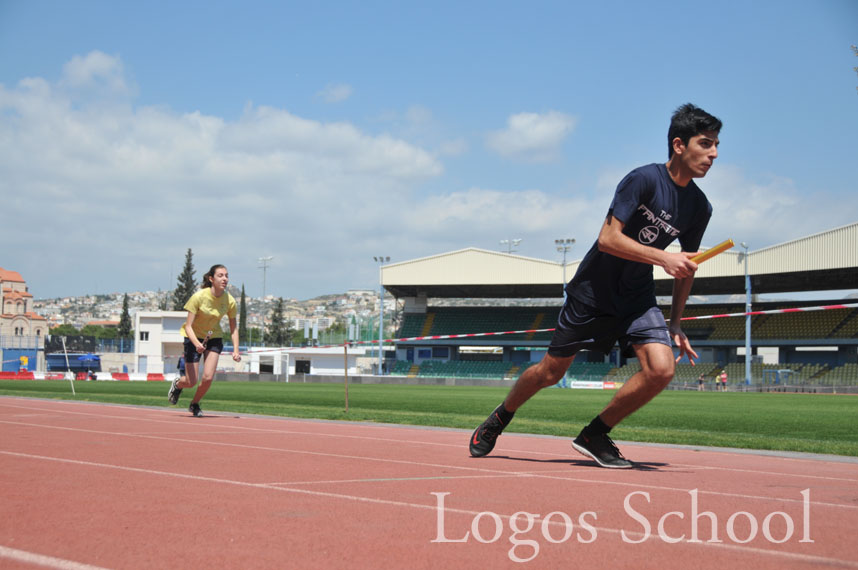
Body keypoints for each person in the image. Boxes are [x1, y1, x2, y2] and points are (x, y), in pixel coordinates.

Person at [469, 103, 721, 469]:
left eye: (716, 145)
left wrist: (676, 321)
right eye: (706, 144)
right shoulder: (644, 180)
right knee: (551, 373)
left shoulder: (699, 207)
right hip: (592, 292)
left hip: (636, 297)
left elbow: (688, 266)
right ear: (679, 145)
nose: (713, 154)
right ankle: (500, 416)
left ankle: (595, 434)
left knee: (662, 369)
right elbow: (607, 239)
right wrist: (663, 257)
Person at [168, 264, 241, 417]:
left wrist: (236, 350)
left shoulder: (230, 301)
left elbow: (233, 328)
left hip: (214, 338)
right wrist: (197, 344)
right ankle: (177, 384)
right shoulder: (199, 297)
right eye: (220, 275)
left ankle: (194, 404)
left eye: (226, 275)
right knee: (191, 381)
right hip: (193, 337)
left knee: (208, 377)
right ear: (211, 278)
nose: (225, 279)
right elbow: (188, 326)